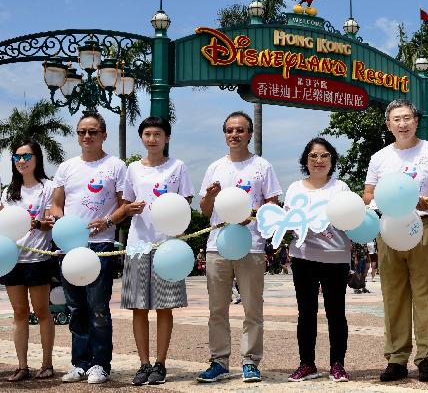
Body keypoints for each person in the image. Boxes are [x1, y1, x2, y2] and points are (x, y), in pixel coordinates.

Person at [363, 99, 428, 382]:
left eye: (407, 118)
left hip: (423, 225)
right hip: (389, 228)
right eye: (396, 119)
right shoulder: (379, 158)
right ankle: (396, 358)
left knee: (425, 294)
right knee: (394, 295)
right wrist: (381, 203)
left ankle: (426, 358)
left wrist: (427, 202)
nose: (403, 124)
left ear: (416, 121)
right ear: (388, 125)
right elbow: (368, 195)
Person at [196, 111, 281, 384]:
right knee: (217, 309)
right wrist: (209, 196)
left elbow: (273, 206)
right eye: (230, 130)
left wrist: (251, 212)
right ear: (225, 134)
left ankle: (250, 362)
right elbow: (205, 210)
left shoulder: (262, 166)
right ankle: (219, 361)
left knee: (252, 309)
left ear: (250, 133)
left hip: (251, 245)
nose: (235, 135)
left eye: (240, 130)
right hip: (217, 245)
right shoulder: (214, 167)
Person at [110, 117, 194, 385]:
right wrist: (130, 208)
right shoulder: (133, 168)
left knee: (164, 307)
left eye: (157, 134)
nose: (152, 139)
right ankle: (143, 363)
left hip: (167, 246)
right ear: (142, 138)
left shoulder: (177, 167)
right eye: (147, 134)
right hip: (138, 244)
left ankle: (160, 363)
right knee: (138, 307)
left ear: (167, 138)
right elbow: (125, 203)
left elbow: (186, 200)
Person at [49, 112, 126, 384]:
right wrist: (61, 223)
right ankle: (79, 363)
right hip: (69, 248)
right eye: (82, 131)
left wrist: (104, 221)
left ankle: (100, 364)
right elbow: (56, 204)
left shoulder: (116, 166)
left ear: (103, 135)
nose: (87, 136)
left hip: (100, 246)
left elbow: (123, 206)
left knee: (98, 308)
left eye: (93, 131)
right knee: (76, 308)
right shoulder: (67, 167)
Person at [284, 137, 353, 383]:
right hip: (304, 257)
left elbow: (351, 220)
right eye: (313, 156)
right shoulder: (294, 188)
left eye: (324, 155)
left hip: (336, 257)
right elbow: (287, 222)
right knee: (306, 313)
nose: (319, 160)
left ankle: (338, 364)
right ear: (306, 160)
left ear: (332, 160)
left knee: (336, 313)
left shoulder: (341, 188)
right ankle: (307, 364)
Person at [0, 140, 56, 382]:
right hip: (13, 259)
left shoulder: (48, 187)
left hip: (38, 258)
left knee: (42, 311)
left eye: (26, 156)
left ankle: (47, 363)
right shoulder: (8, 191)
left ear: (37, 158)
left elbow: (51, 222)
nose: (21, 161)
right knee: (19, 312)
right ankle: (22, 366)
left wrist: (34, 223)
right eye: (17, 157)